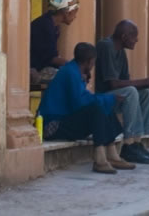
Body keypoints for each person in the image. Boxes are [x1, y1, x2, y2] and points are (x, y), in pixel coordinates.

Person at [38, 42, 133, 174]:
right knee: (96, 107)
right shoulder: (70, 72)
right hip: (52, 126)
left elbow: (83, 99)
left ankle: (112, 154)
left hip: (64, 120)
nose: (93, 66)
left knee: (104, 106)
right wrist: (110, 98)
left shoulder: (74, 70)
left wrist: (107, 100)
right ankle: (100, 158)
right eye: (93, 62)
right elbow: (80, 103)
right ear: (89, 62)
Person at [95, 20, 149, 165]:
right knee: (131, 91)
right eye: (134, 36)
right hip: (103, 98)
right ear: (124, 37)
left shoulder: (121, 51)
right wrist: (148, 80)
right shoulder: (106, 46)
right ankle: (128, 145)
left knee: (145, 93)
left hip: (116, 95)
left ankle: (137, 143)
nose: (137, 40)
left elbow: (126, 81)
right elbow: (113, 83)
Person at [29, 0, 80, 88]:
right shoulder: (44, 25)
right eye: (74, 11)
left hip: (41, 66)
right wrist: (75, 67)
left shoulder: (53, 26)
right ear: (66, 12)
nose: (75, 16)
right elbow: (50, 58)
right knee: (72, 77)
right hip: (34, 68)